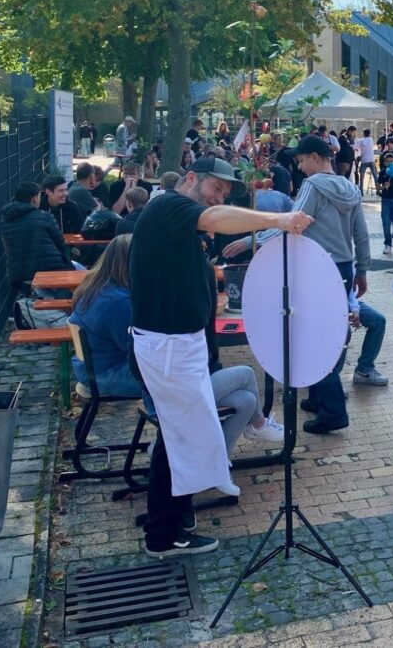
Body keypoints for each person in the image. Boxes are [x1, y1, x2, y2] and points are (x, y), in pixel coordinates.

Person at [130, 156, 313, 558]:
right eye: (216, 188)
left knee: (181, 434)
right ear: (191, 179)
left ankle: (177, 512)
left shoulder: (181, 218)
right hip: (169, 347)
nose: (219, 197)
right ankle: (163, 534)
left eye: (226, 193)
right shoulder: (171, 206)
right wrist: (278, 221)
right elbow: (216, 215)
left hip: (180, 345)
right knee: (178, 438)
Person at [228, 135, 370, 435]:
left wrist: (249, 241)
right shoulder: (351, 187)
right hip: (343, 265)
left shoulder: (313, 185)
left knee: (316, 336)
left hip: (316, 266)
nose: (301, 167)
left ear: (317, 157)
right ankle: (318, 400)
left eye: (302, 160)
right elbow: (361, 232)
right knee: (331, 331)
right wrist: (363, 269)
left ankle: (333, 411)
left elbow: (293, 223)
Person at [69, 235, 146, 400]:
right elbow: (137, 349)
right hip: (107, 373)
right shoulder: (117, 302)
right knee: (176, 379)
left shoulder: (97, 286)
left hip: (90, 366)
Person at [2, 181, 75, 291]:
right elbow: (61, 244)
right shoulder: (45, 216)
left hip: (18, 276)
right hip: (50, 271)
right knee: (85, 276)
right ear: (35, 199)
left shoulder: (6, 220)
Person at [348, 288, 390, 386]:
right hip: (328, 304)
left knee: (378, 321)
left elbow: (352, 293)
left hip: (349, 302)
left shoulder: (353, 272)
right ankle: (328, 381)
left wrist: (355, 310)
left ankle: (363, 371)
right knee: (345, 332)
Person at [357, 128, 377, 192]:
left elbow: (355, 147)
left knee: (362, 176)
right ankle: (378, 190)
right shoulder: (371, 140)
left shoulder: (361, 141)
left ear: (363, 134)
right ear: (369, 134)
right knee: (375, 175)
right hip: (371, 159)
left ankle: (361, 190)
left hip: (364, 160)